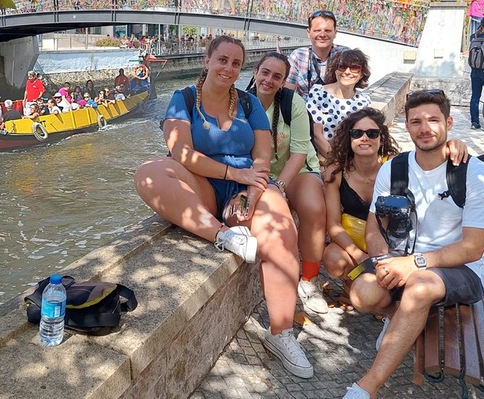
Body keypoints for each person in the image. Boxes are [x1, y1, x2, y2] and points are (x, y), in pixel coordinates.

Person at [135, 35, 314, 379]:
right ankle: (222, 235)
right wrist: (233, 173)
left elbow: (263, 156)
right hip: (202, 184)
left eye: (236, 63)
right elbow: (182, 153)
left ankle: (281, 333)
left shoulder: (249, 103)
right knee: (149, 173)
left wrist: (250, 194)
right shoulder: (184, 99)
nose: (229, 68)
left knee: (281, 231)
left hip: (246, 185)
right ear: (207, 61)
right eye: (222, 60)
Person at [342, 90, 484, 398]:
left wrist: (414, 264)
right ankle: (403, 320)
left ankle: (366, 387)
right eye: (416, 121)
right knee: (362, 293)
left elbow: (473, 248)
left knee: (420, 287)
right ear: (407, 126)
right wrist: (383, 261)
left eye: (433, 120)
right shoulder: (394, 169)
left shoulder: (475, 174)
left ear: (448, 123)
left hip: (461, 267)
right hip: (402, 258)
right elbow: (374, 226)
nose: (424, 128)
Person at [247, 51, 329, 315]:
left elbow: (299, 152)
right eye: (265, 72)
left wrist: (280, 186)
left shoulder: (292, 103)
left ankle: (309, 280)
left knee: (314, 208)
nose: (269, 80)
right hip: (259, 174)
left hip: (297, 169)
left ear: (283, 82)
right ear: (255, 73)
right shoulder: (241, 103)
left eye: (277, 76)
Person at [321, 108, 400, 305]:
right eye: (357, 133)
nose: (364, 138)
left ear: (382, 138)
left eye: (372, 133)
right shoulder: (336, 171)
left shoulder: (394, 166)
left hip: (387, 240)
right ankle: (352, 285)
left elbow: (427, 161)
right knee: (334, 260)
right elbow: (333, 225)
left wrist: (452, 146)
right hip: (352, 238)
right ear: (349, 138)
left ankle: (382, 296)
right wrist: (360, 257)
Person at [306, 49, 371, 159]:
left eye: (354, 68)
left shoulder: (364, 101)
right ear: (335, 70)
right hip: (322, 158)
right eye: (342, 66)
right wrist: (337, 162)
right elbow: (316, 134)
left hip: (352, 158)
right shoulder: (318, 93)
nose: (347, 72)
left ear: (361, 74)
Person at [285, 10, 349, 100]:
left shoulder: (345, 54)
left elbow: (352, 89)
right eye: (317, 30)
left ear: (335, 33)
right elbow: (287, 94)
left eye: (327, 31)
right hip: (305, 108)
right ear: (308, 33)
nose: (322, 34)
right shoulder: (298, 56)